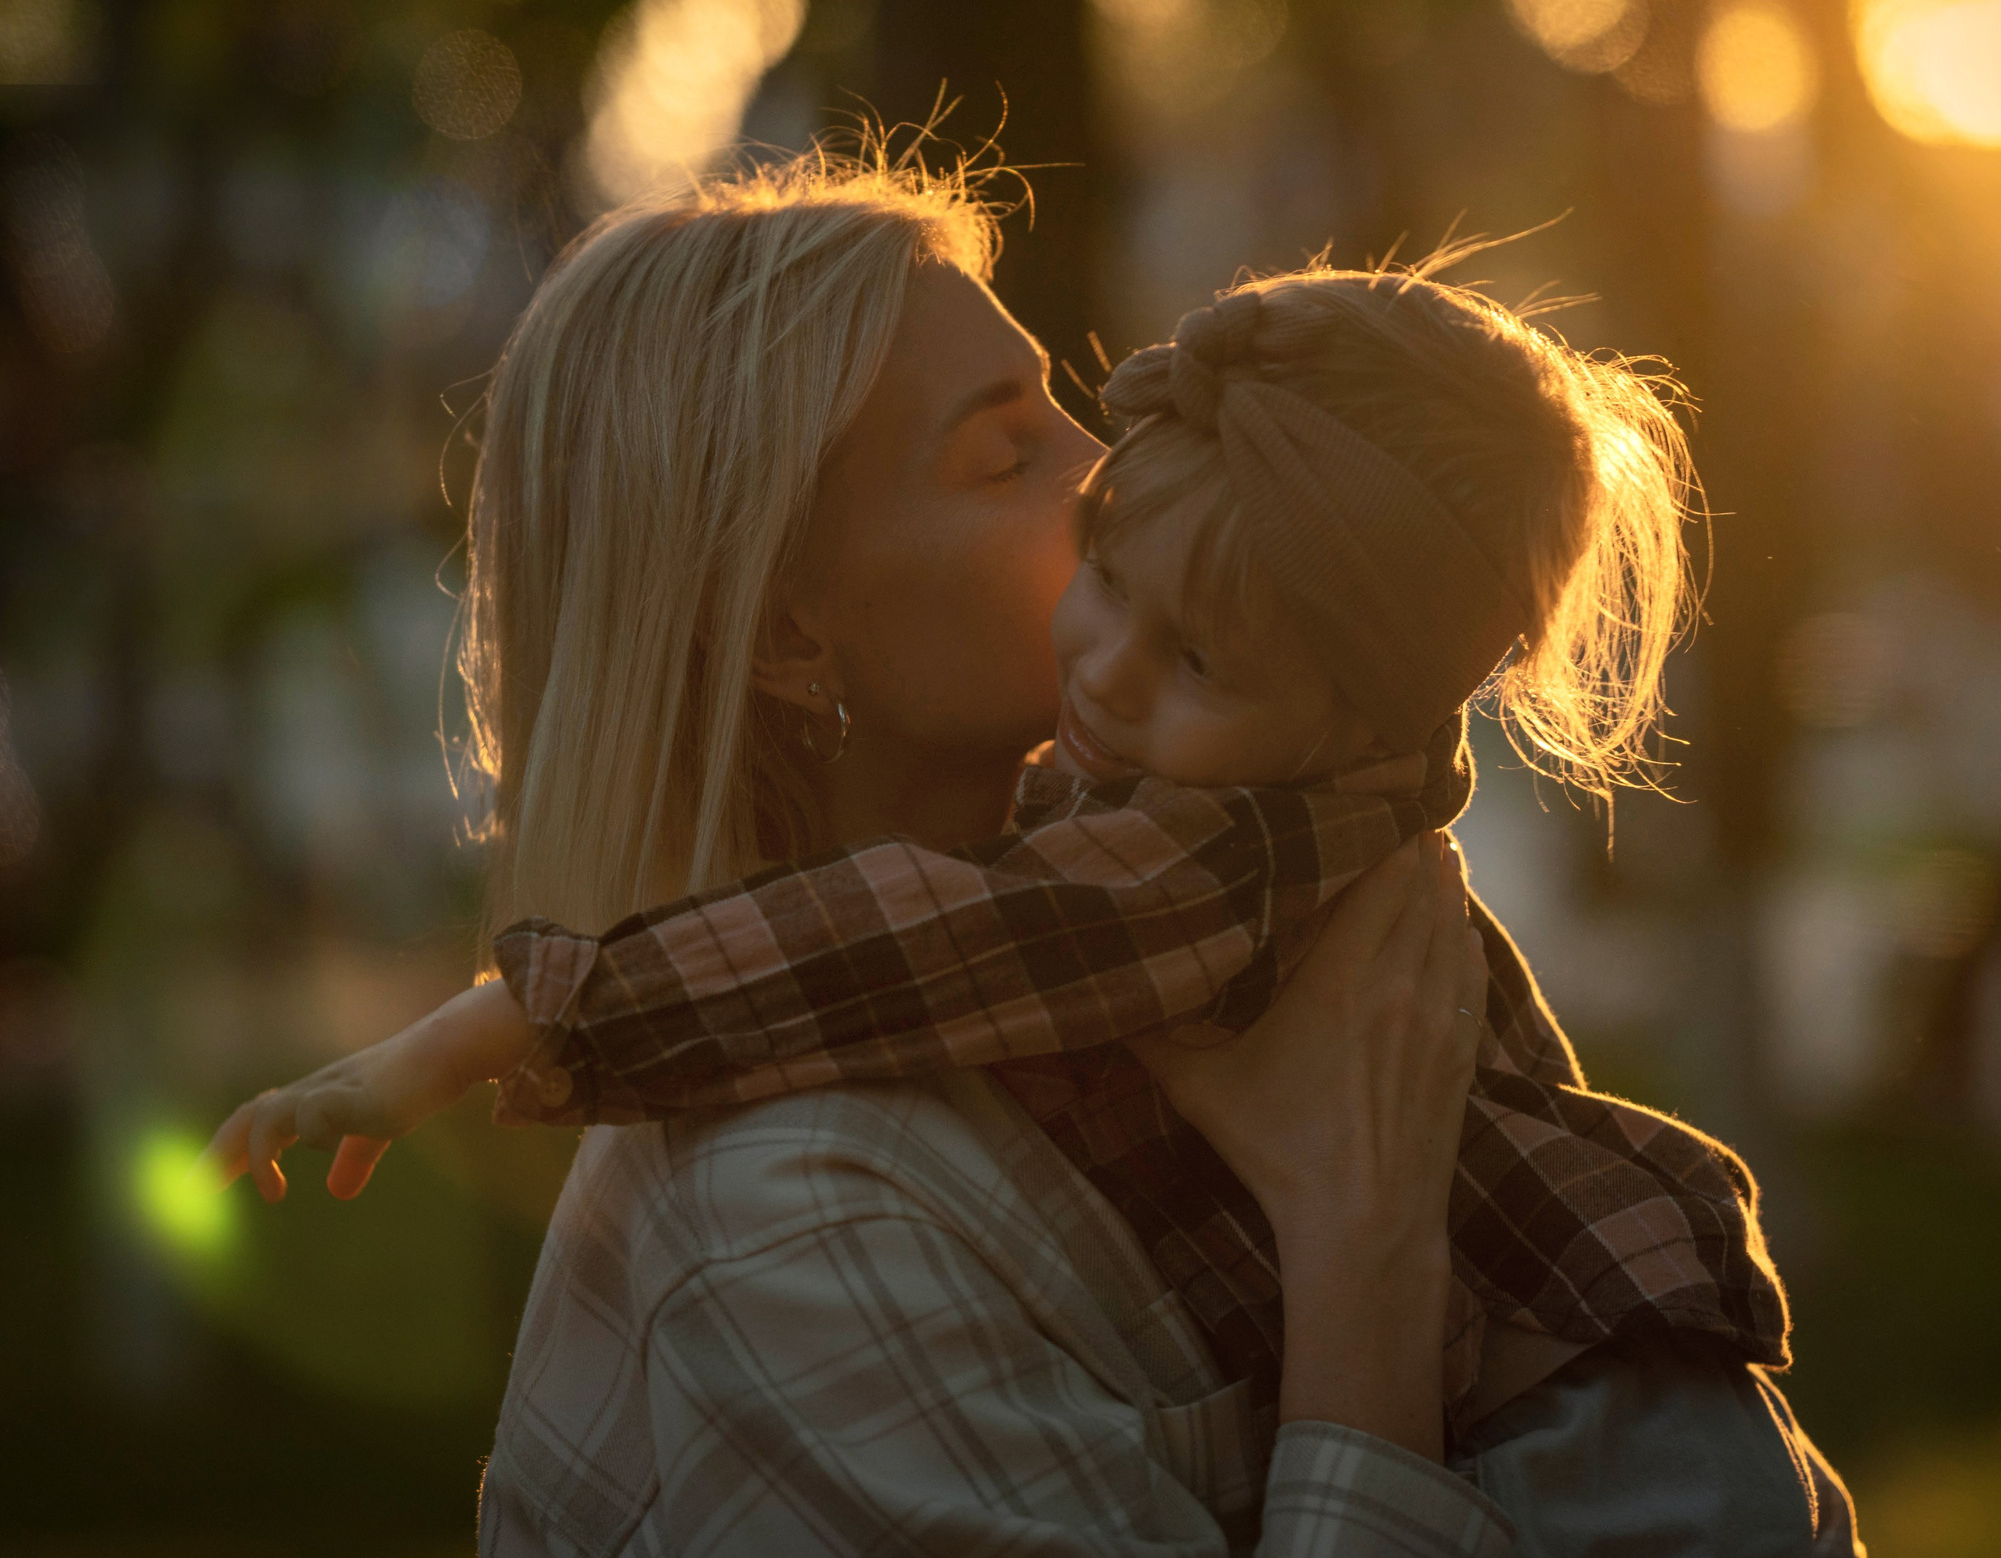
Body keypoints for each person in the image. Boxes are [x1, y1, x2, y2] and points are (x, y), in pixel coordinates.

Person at [209, 148, 1859, 1554]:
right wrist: (1363, 1252)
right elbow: (857, 944)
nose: (1107, 488)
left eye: (1071, 408)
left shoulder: (1137, 933)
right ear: (792, 630)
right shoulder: (804, 1230)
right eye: (1008, 452)